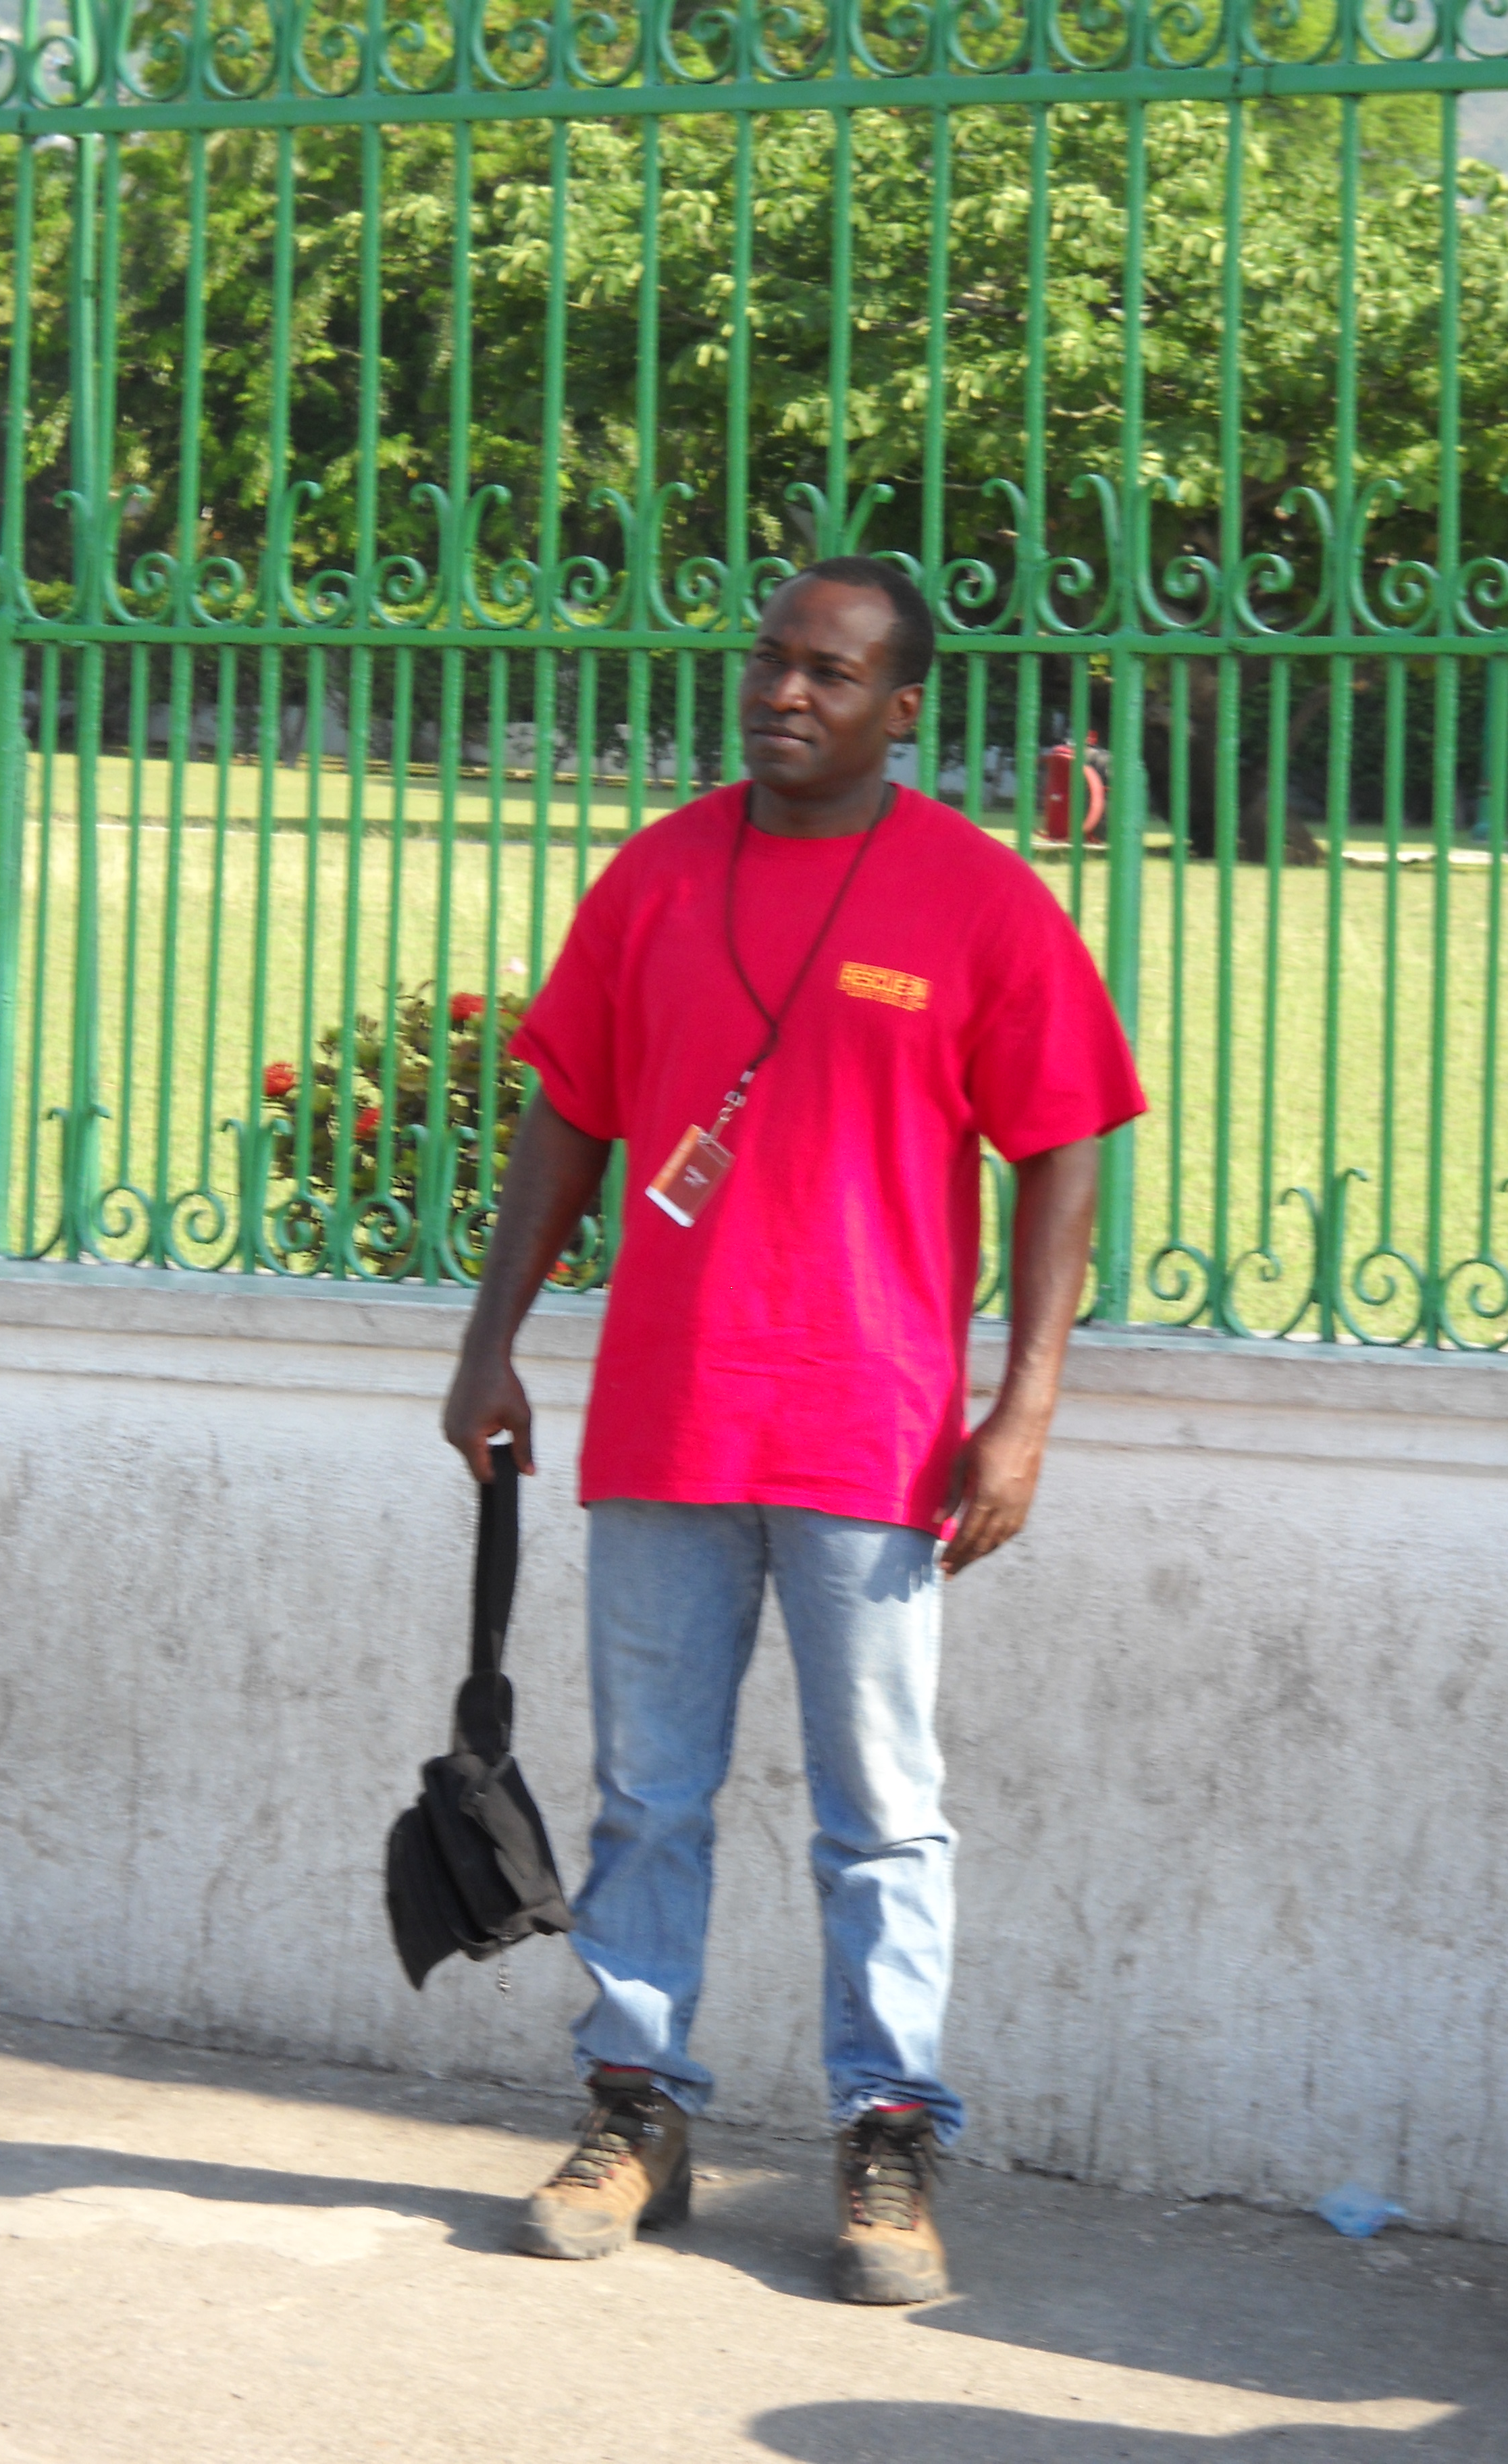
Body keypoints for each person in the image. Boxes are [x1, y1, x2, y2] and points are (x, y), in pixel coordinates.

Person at [442, 556, 1143, 2305]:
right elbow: (569, 1114)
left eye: (830, 672)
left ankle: (889, 2137)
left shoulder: (979, 901)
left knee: (882, 1813)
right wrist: (491, 1341)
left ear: (903, 708)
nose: (784, 692)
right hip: (669, 1419)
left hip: (872, 1435)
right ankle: (637, 2113)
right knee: (648, 1799)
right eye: (770, 659)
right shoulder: (659, 875)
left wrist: (1024, 1410)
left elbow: (1066, 1139)